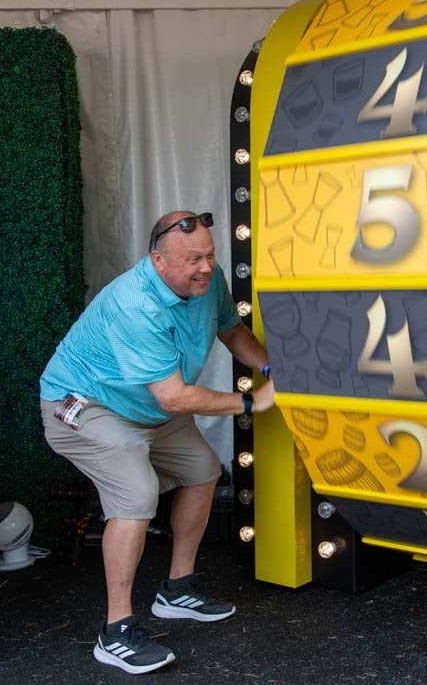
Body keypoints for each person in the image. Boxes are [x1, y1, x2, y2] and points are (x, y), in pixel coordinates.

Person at [39, 210, 275, 675]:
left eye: (210, 256)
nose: (206, 267)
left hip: (146, 406)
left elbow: (231, 329)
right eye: (193, 260)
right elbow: (174, 396)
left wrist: (271, 368)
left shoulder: (208, 280)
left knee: (203, 470)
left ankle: (177, 590)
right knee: (137, 492)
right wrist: (252, 401)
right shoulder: (135, 303)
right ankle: (116, 632)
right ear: (158, 260)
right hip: (85, 403)